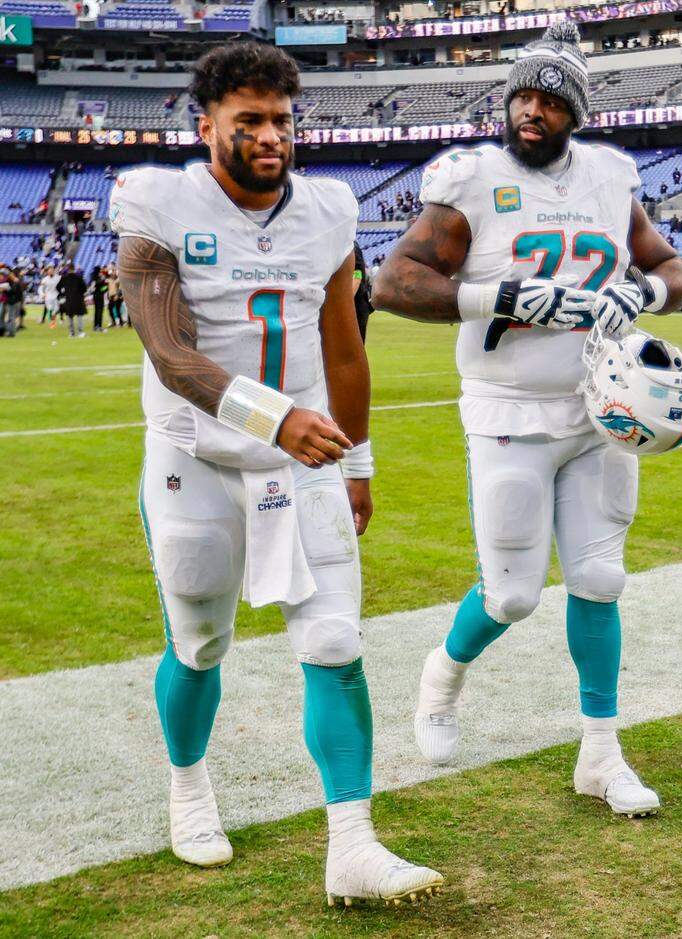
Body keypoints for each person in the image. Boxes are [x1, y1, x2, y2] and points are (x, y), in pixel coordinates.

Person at [109, 42, 443, 907]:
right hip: (196, 456)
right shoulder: (159, 199)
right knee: (200, 643)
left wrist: (358, 458)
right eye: (248, 121)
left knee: (334, 642)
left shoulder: (327, 209)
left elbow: (344, 340)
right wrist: (276, 418)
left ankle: (353, 846)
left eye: (281, 120)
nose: (269, 137)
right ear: (207, 125)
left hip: (306, 461)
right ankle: (188, 786)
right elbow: (170, 350)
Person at [372, 22, 682, 817]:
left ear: (574, 113)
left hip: (596, 408)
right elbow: (394, 283)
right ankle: (440, 681)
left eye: (551, 100)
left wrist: (643, 293)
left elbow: (671, 270)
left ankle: (602, 753)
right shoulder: (471, 178)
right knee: (512, 593)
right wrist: (496, 297)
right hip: (506, 408)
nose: (532, 111)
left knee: (599, 577)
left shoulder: (612, 179)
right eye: (523, 94)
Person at [58, 263, 87, 337]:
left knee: (70, 316)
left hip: (69, 299)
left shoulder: (64, 277)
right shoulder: (79, 277)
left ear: (68, 269)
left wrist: (64, 293)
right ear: (74, 269)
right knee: (79, 315)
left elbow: (58, 287)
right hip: (78, 299)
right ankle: (80, 332)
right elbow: (84, 288)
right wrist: (80, 293)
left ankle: (71, 332)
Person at [90, 266, 107, 332]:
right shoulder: (101, 278)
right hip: (100, 295)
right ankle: (99, 326)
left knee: (96, 311)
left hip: (95, 295)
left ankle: (95, 326)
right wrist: (104, 290)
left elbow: (92, 287)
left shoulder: (93, 278)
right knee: (100, 311)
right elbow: (104, 287)